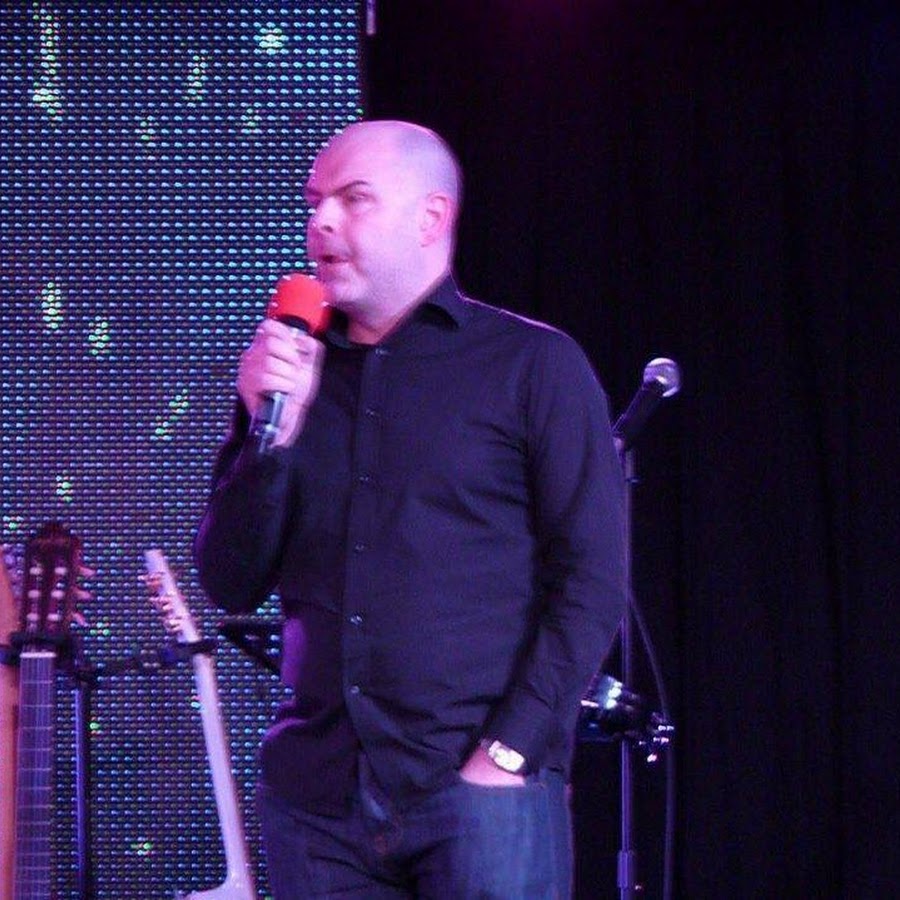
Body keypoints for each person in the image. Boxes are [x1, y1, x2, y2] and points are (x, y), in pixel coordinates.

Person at [194, 119, 627, 899]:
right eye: (315, 202)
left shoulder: (532, 365)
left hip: (478, 795)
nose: (322, 222)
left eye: (353, 199)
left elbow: (592, 579)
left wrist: (510, 753)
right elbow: (229, 580)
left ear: (431, 217)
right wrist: (268, 438)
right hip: (318, 803)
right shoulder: (288, 371)